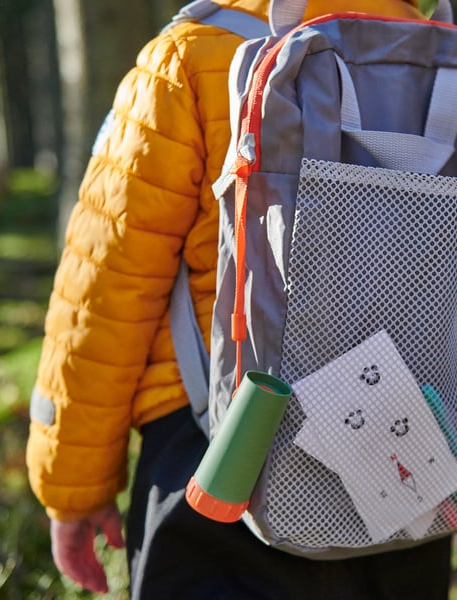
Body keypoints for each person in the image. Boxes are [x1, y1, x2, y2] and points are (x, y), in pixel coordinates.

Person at [26, 0, 453, 598]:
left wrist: (71, 486)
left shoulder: (187, 59)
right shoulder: (440, 56)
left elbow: (104, 289)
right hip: (416, 460)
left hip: (220, 458)